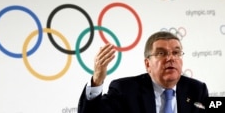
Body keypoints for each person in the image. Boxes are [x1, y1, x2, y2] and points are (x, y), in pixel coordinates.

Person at [78, 31, 209, 113]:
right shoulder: (125, 90)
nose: (171, 58)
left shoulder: (196, 89)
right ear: (147, 64)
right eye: (161, 53)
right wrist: (97, 80)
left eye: (176, 52)